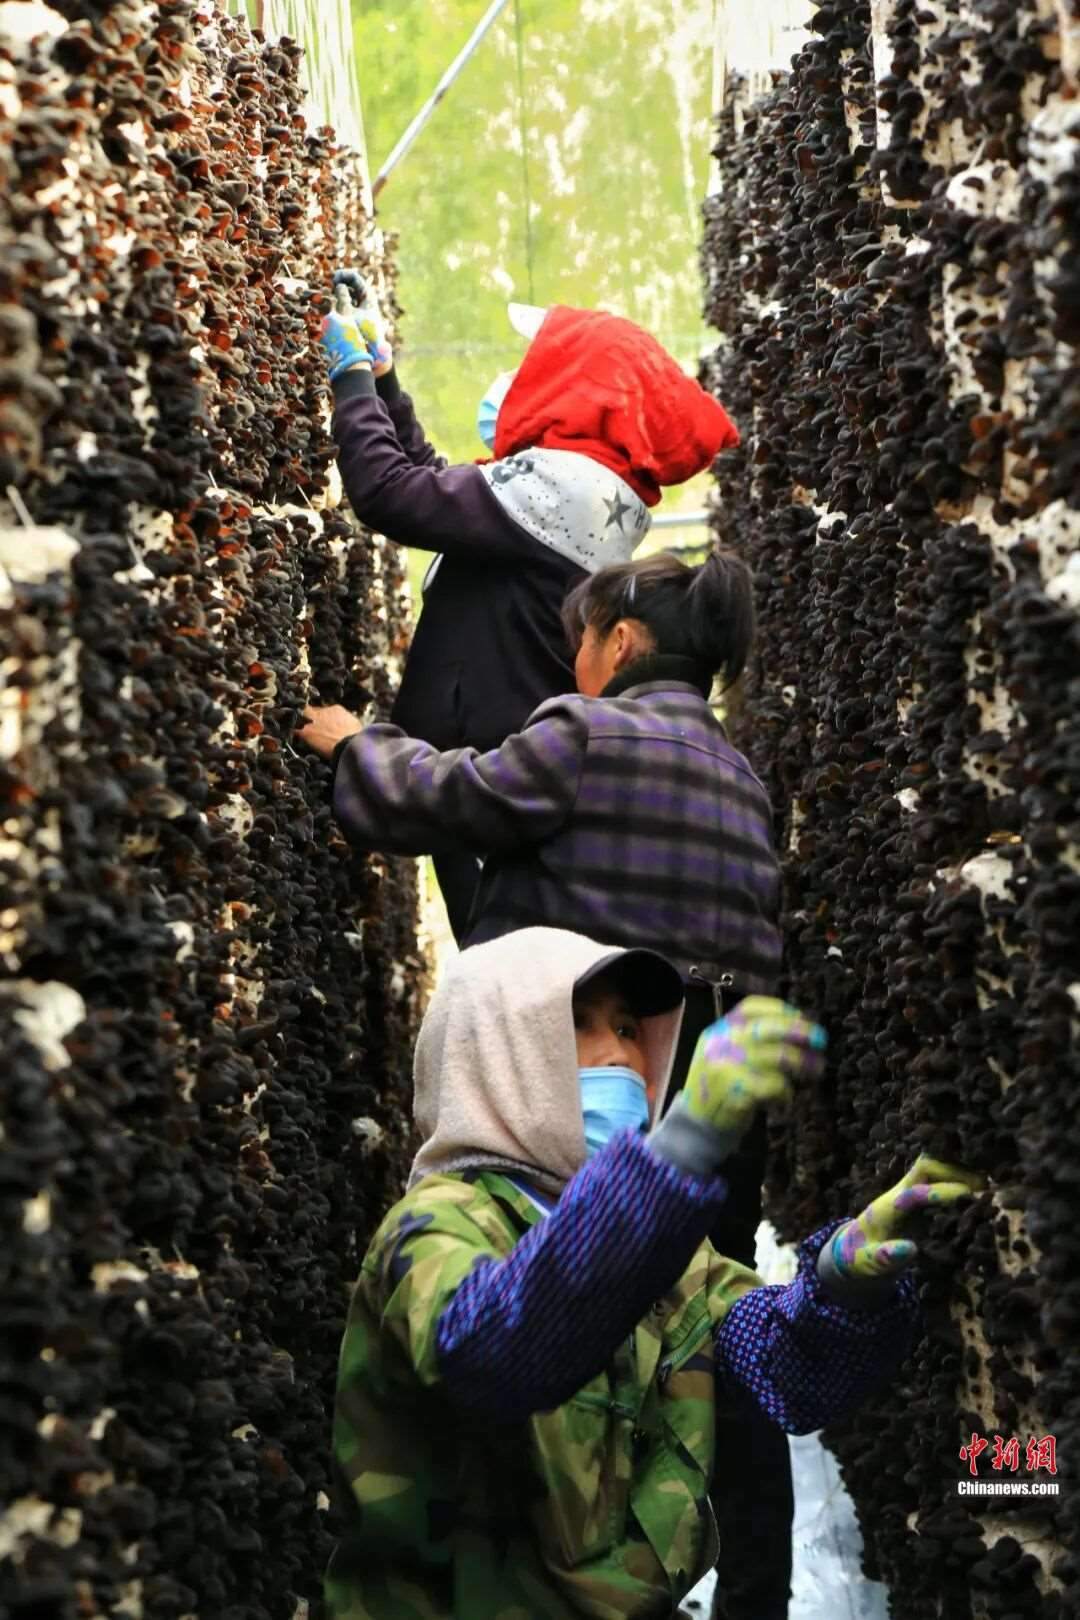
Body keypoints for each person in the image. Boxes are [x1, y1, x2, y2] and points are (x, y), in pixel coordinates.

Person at [300, 546, 794, 1615]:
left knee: (532, 1319)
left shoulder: (586, 732)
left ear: (622, 641)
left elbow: (445, 798)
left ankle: (528, 1576)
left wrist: (358, 745)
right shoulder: (740, 775)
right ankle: (749, 1595)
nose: (573, 662)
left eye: (582, 640)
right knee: (719, 1336)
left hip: (581, 1092)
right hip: (707, 1100)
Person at [324, 927, 983, 1619]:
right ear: (492, 1053)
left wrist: (843, 1280)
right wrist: (686, 1143)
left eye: (629, 1029)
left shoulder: (672, 1251)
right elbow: (494, 1355)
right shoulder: (435, 1227)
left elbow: (782, 1368)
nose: (620, 1056)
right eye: (577, 1025)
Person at [317, 273, 738, 937]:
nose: (514, 379)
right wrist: (385, 384)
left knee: (500, 962)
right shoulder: (591, 491)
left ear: (580, 386)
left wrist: (349, 379)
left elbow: (392, 495)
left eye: (531, 365)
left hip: (480, 791)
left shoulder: (567, 490)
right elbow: (442, 494)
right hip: (480, 784)